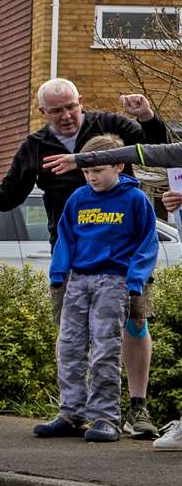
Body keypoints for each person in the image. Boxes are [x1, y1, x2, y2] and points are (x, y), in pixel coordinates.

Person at [0, 79, 168, 439]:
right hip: (74, 258)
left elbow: (159, 149)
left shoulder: (110, 127)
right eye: (56, 110)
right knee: (71, 334)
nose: (66, 116)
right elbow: (8, 196)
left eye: (71, 107)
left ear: (81, 101)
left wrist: (146, 116)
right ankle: (73, 411)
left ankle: (135, 407)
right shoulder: (36, 147)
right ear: (43, 113)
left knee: (133, 324)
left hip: (122, 258)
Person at [31, 135, 160, 443]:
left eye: (98, 170)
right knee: (70, 346)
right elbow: (66, 237)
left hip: (114, 281)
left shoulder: (135, 199)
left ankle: (105, 417)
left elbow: (147, 243)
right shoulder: (78, 198)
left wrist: (135, 278)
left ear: (118, 164)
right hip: (78, 280)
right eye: (87, 171)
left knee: (105, 348)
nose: (91, 176)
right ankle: (71, 413)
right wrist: (59, 273)